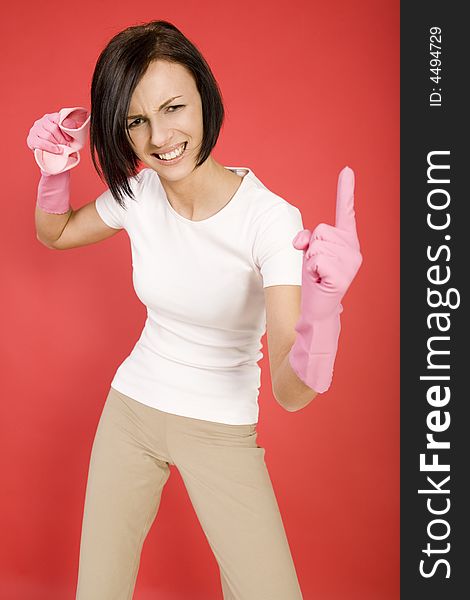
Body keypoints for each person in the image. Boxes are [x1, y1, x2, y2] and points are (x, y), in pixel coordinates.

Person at [27, 19, 362, 600]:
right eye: (137, 120)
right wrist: (54, 174)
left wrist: (324, 316)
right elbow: (56, 233)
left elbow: (289, 391)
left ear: (204, 98)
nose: (160, 136)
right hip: (131, 412)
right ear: (121, 131)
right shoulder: (139, 194)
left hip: (221, 428)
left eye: (174, 107)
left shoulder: (270, 221)